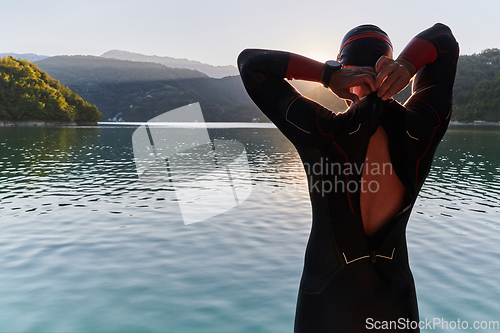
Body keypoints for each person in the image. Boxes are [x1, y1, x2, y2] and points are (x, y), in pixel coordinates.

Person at [237, 23, 458, 332]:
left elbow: (251, 64)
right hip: (396, 302)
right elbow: (444, 38)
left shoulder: (321, 132)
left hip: (327, 300)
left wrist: (327, 75)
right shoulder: (423, 129)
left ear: (345, 71)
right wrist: (407, 65)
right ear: (387, 62)